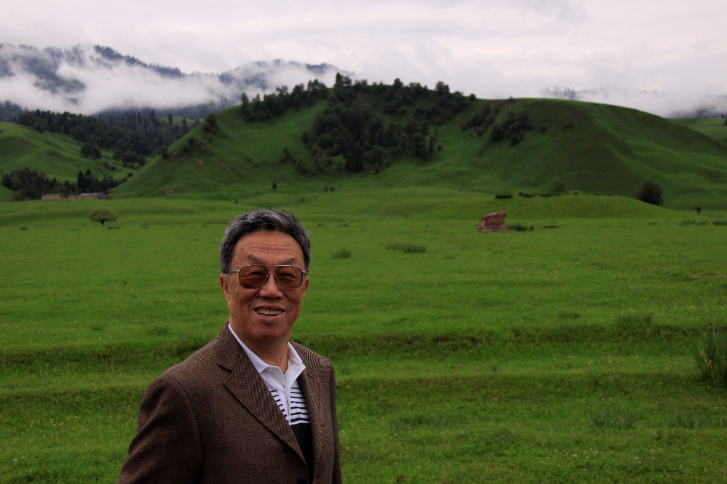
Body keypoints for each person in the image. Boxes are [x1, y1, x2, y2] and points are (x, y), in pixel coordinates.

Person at [119, 209, 341, 484]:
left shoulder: (319, 371)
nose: (271, 291)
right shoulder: (184, 391)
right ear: (226, 286)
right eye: (253, 274)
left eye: (287, 275)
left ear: (304, 287)